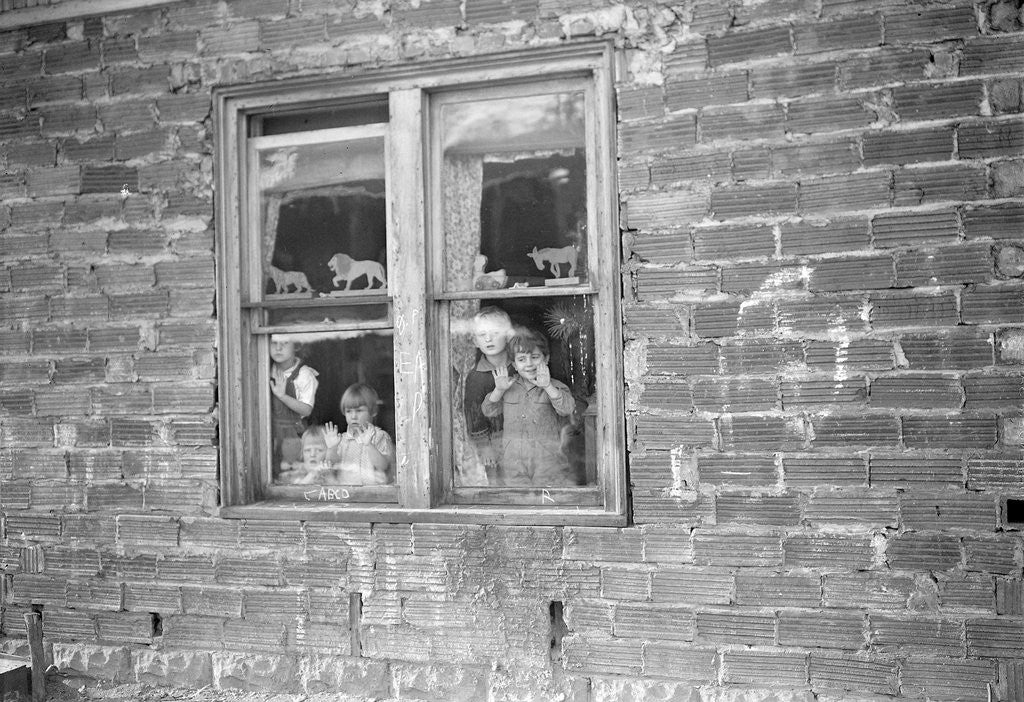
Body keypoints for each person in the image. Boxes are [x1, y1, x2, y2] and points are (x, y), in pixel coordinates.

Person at [481, 327, 576, 486]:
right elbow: (488, 411)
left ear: (546, 359)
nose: (529, 364)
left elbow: (567, 408)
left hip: (547, 461)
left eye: (535, 357)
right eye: (522, 359)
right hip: (513, 461)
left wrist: (547, 387)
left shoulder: (555, 387)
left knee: (546, 502)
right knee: (519, 501)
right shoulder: (506, 386)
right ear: (514, 364)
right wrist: (498, 390)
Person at [461, 306, 514, 484]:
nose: (489, 339)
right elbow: (473, 415)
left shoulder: (519, 366)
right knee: (499, 484)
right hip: (495, 442)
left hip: (522, 437)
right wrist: (485, 447)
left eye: (495, 333)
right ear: (475, 341)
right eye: (482, 335)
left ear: (507, 335)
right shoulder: (476, 377)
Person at [324, 383, 393, 485]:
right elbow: (331, 466)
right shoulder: (341, 439)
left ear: (373, 412)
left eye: (359, 411)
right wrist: (332, 448)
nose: (353, 416)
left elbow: (383, 466)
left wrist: (369, 445)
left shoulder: (380, 436)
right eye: (348, 411)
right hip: (346, 495)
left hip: (373, 496)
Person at [270, 335, 318, 479]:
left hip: (292, 434)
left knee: (291, 472)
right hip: (269, 432)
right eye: (273, 343)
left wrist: (283, 396)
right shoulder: (264, 368)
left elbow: (306, 409)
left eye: (284, 343)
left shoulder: (304, 375)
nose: (278, 348)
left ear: (296, 345)